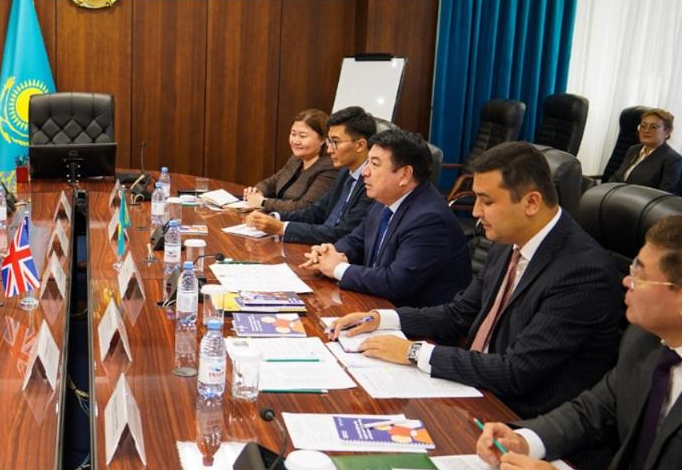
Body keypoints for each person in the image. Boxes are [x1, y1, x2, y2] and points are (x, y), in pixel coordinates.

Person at [329, 142, 622, 417]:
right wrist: (381, 319)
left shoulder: (582, 273)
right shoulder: (510, 240)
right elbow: (459, 314)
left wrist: (413, 352)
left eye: (486, 201)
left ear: (531, 202)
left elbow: (517, 371)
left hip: (518, 416)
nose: (475, 212)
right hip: (473, 388)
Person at [476, 214, 682, 470]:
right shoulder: (645, 338)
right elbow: (593, 411)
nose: (626, 281)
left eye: (640, 274)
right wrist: (525, 440)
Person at [302, 129, 471, 307]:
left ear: (404, 175)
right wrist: (328, 254)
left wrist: (337, 268)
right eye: (368, 162)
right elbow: (356, 240)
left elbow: (395, 283)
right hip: (375, 303)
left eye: (375, 164)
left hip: (410, 317)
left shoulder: (429, 219)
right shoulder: (384, 200)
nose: (365, 172)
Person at [244, 106, 376, 244]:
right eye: (329, 142)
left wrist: (282, 228)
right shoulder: (345, 173)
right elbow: (316, 211)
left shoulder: (371, 182)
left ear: (360, 145)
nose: (329, 150)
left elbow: (343, 233)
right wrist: (275, 217)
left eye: (335, 142)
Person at [242, 109, 338, 213]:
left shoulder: (330, 167)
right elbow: (271, 183)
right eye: (293, 134)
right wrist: (256, 191)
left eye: (302, 136)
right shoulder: (296, 159)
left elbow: (306, 207)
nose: (296, 141)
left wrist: (263, 202)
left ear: (322, 140)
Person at [607, 108, 682, 192]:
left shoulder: (673, 159)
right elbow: (617, 177)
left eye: (653, 127)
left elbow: (664, 194)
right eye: (643, 126)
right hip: (616, 196)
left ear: (667, 132)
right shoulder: (633, 149)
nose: (646, 130)